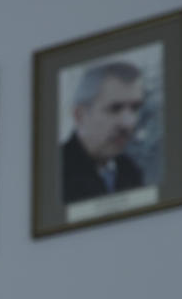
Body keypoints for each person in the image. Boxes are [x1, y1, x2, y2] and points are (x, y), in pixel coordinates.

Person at [62, 61, 146, 204]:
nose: (128, 122)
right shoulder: (54, 172)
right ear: (79, 115)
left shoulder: (131, 171)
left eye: (135, 108)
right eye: (115, 109)